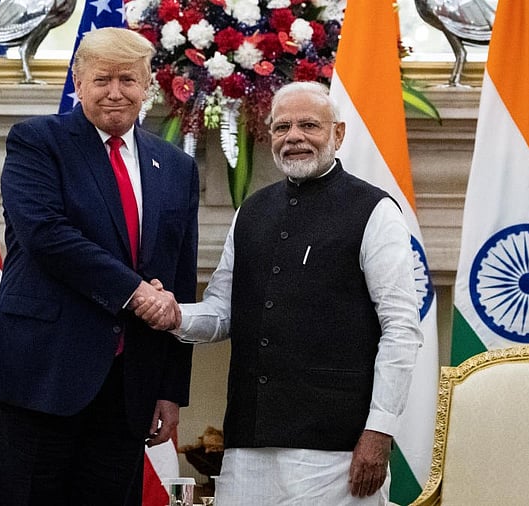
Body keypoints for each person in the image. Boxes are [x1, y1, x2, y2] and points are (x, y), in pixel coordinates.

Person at [136, 81, 423, 505]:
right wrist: (174, 314)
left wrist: (379, 432)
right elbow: (222, 311)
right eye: (282, 127)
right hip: (247, 444)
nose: (294, 137)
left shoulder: (375, 211)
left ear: (338, 134)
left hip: (335, 449)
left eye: (309, 125)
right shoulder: (251, 211)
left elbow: (401, 329)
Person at [0, 27, 199, 505]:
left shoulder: (176, 166)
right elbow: (48, 237)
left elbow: (179, 281)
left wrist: (169, 389)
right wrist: (137, 294)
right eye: (102, 79)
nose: (115, 92)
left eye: (128, 80)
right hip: (41, 374)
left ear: (147, 88)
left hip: (127, 389)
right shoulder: (38, 143)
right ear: (78, 83)